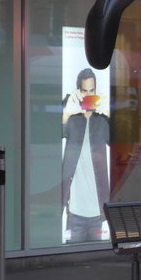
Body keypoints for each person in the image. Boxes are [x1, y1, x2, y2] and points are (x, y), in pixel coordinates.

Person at [62, 68, 111, 242]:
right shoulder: (72, 115)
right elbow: (50, 136)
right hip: (74, 211)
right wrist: (67, 113)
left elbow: (120, 143)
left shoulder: (101, 119)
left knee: (97, 254)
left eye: (92, 91)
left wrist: (110, 114)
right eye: (84, 91)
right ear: (78, 91)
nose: (89, 95)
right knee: (71, 254)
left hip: (98, 212)